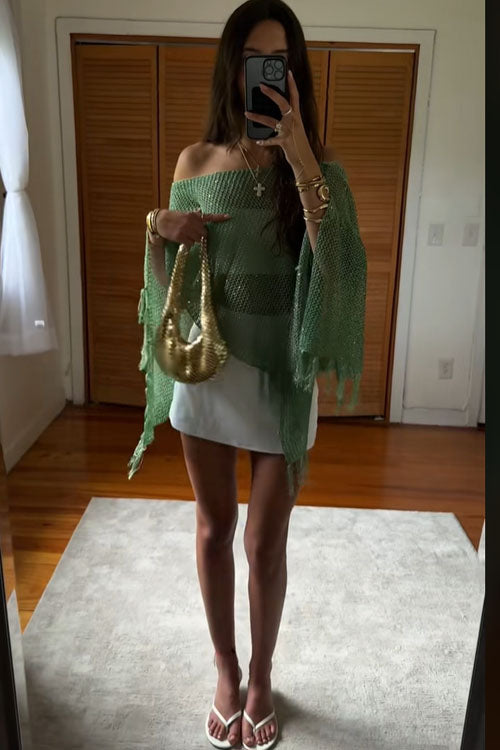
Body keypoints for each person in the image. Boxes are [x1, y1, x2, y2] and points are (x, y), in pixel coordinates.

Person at [128, 1, 367, 747]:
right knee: (213, 529)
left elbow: (339, 272)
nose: (266, 73)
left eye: (280, 60)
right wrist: (158, 231)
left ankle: (263, 674)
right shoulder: (194, 164)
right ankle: (227, 670)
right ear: (232, 68)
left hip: (283, 374)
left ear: (295, 73)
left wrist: (299, 159)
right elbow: (171, 288)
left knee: (264, 541)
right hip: (210, 365)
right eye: (253, 58)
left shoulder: (320, 169)